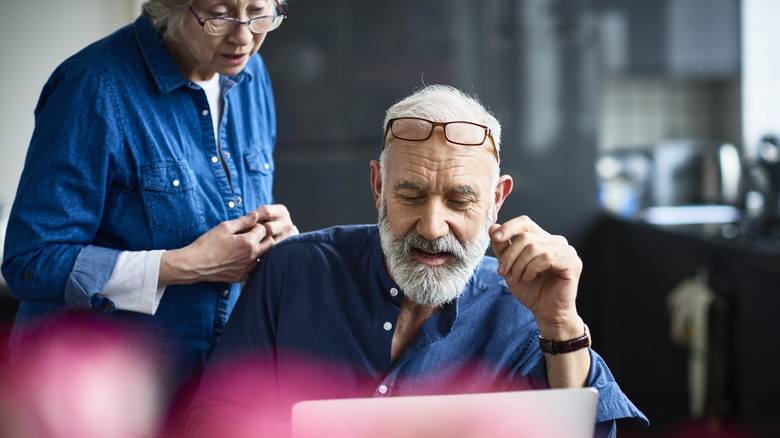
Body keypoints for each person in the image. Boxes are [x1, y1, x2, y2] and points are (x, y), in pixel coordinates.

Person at [186, 84, 649, 438]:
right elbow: (212, 419)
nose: (432, 226)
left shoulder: (525, 307)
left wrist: (561, 323)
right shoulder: (293, 273)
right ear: (378, 188)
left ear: (496, 201)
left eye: (459, 200)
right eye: (410, 195)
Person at [1, 0, 296, 414]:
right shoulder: (92, 86)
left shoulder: (250, 72)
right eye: (220, 13)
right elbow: (30, 262)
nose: (244, 35)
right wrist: (182, 265)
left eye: (259, 10)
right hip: (106, 405)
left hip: (212, 394)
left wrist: (275, 240)